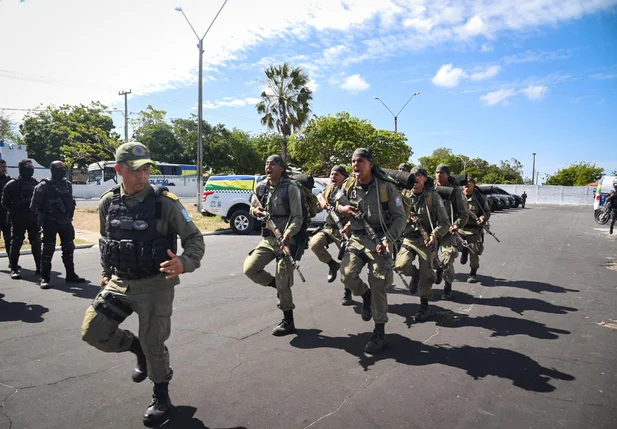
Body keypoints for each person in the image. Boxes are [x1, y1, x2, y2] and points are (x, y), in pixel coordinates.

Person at [81, 142, 205, 426]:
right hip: (119, 282)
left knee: (155, 344)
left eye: (147, 169)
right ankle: (134, 348)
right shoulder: (107, 202)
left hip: (155, 285)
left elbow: (195, 239)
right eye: (136, 170)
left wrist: (184, 263)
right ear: (118, 170)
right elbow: (106, 241)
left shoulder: (166, 203)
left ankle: (161, 395)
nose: (143, 175)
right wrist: (106, 271)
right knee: (93, 331)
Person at [337, 148, 407, 354]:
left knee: (378, 282)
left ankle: (379, 331)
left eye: (359, 161)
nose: (355, 165)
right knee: (347, 275)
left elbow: (400, 218)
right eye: (352, 161)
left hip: (380, 238)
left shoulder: (386, 187)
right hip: (358, 237)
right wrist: (342, 209)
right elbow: (336, 202)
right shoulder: (349, 184)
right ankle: (364, 296)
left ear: (370, 164)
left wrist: (388, 239)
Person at [243, 155, 304, 337]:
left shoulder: (291, 189)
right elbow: (252, 208)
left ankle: (288, 320)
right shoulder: (261, 187)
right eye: (267, 163)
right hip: (269, 239)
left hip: (287, 239)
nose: (268, 166)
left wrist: (287, 234)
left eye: (273, 164)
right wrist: (255, 210)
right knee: (250, 268)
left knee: (283, 279)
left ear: (282, 168)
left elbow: (298, 217)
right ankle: (276, 285)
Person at [394, 167, 449, 321]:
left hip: (427, 240)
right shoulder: (404, 195)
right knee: (401, 265)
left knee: (427, 275)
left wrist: (434, 235)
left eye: (418, 175)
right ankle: (415, 274)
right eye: (412, 176)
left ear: (425, 178)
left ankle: (424, 304)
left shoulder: (433, 196)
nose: (415, 178)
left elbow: (444, 223)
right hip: (409, 238)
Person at [30, 161, 85, 289]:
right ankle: (45, 278)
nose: (62, 170)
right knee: (48, 250)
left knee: (69, 248)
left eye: (64, 168)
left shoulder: (67, 184)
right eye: (59, 168)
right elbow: (33, 206)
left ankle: (71, 275)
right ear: (53, 170)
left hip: (66, 222)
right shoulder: (43, 186)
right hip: (50, 222)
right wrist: (46, 213)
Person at [309, 165, 353, 305]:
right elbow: (317, 205)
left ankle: (348, 292)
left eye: (337, 174)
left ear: (344, 177)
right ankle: (332, 264)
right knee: (315, 244)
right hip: (330, 228)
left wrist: (347, 225)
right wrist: (320, 204)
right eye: (332, 174)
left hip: (345, 230)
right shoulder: (328, 189)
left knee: (347, 264)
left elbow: (356, 211)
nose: (333, 177)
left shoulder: (350, 190)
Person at [1, 159, 41, 279]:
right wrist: (14, 210)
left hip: (33, 217)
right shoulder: (12, 184)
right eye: (28, 167)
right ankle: (14, 268)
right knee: (16, 241)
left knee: (36, 241)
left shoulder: (36, 184)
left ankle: (39, 267)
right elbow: (4, 202)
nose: (31, 169)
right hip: (18, 217)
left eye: (32, 167)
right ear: (22, 168)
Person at [434, 164, 469, 300]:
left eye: (442, 172)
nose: (439, 175)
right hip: (432, 230)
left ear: (448, 175)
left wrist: (456, 225)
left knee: (448, 257)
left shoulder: (455, 191)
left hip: (448, 231)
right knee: (429, 259)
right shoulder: (430, 188)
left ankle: (447, 285)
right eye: (437, 172)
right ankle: (438, 268)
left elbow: (463, 214)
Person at [458, 178, 491, 282]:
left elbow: (486, 212)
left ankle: (473, 273)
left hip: (474, 230)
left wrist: (482, 218)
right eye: (465, 182)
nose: (466, 184)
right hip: (459, 229)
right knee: (453, 247)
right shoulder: (457, 196)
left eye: (469, 182)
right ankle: (464, 250)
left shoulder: (479, 198)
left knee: (474, 252)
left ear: (474, 185)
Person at [0, 159, 12, 268]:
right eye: (2, 166)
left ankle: (12, 261)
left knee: (9, 238)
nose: (4, 169)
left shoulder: (8, 181)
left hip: (5, 214)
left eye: (5, 166)